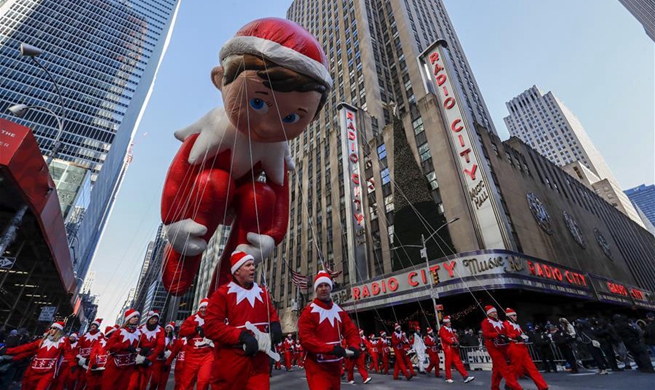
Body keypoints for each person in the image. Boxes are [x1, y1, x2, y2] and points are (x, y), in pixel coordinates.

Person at [160, 17, 332, 298]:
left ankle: (229, 279)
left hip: (244, 201)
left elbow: (279, 196)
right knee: (214, 181)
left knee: (262, 195)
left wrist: (270, 235)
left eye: (290, 118)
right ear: (220, 79)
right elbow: (180, 172)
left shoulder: (276, 148)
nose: (268, 126)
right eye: (257, 102)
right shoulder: (215, 128)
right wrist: (172, 219)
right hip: (205, 198)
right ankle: (182, 256)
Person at [204, 251, 283, 389]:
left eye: (253, 265)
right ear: (237, 271)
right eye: (248, 265)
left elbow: (271, 313)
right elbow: (211, 326)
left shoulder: (263, 292)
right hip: (232, 364)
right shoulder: (222, 294)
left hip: (259, 363)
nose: (253, 268)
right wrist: (241, 336)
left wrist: (275, 324)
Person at [298, 270, 363, 389]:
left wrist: (354, 346)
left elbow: (351, 331)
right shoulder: (308, 312)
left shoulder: (339, 311)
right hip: (317, 368)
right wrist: (331, 349)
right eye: (320, 286)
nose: (323, 289)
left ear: (330, 287)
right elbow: (306, 339)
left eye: (326, 285)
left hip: (335, 367)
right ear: (316, 290)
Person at [1, 321, 70, 390]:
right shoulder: (42, 341)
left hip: (48, 372)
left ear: (59, 330)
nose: (51, 330)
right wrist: (7, 351)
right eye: (50, 328)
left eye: (54, 328)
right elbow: (26, 348)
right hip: (34, 371)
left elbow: (69, 355)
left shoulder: (63, 341)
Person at [503, 308, 548, 389]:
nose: (516, 317)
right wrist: (516, 336)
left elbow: (521, 334)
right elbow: (506, 334)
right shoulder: (506, 324)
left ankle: (542, 386)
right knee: (514, 368)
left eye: (516, 315)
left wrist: (523, 337)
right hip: (514, 347)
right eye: (514, 315)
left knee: (532, 368)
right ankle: (509, 384)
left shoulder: (517, 325)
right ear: (509, 316)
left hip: (522, 347)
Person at [480, 306, 522, 390]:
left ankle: (494, 387)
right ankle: (517, 387)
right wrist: (497, 335)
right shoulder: (486, 322)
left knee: (497, 370)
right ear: (489, 314)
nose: (495, 313)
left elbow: (506, 333)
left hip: (502, 347)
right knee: (504, 368)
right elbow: (486, 333)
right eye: (493, 312)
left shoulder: (501, 322)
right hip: (493, 347)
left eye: (495, 312)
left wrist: (514, 336)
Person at [179, 298, 213, 390]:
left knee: (204, 381)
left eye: (206, 307)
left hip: (208, 355)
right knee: (187, 382)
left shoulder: (213, 319)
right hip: (192, 355)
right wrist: (194, 329)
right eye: (202, 307)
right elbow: (181, 331)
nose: (203, 310)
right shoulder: (191, 319)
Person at [103, 309, 141, 390]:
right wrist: (125, 346)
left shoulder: (139, 333)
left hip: (129, 366)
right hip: (115, 364)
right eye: (134, 316)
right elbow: (109, 345)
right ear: (128, 319)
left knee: (123, 386)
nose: (136, 318)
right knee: (109, 385)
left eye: (137, 317)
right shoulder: (119, 331)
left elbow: (143, 346)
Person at [129, 310, 165, 390]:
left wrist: (150, 359)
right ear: (148, 319)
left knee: (143, 382)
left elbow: (160, 345)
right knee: (132, 382)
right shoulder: (141, 328)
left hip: (150, 357)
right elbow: (135, 342)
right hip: (138, 357)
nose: (154, 320)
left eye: (156, 319)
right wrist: (137, 353)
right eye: (152, 318)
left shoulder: (160, 330)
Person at [440, 316, 474, 384]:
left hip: (453, 348)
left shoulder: (450, 329)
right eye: (449, 322)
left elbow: (453, 337)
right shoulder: (442, 329)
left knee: (458, 362)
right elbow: (445, 338)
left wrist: (457, 343)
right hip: (448, 348)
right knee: (448, 363)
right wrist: (453, 342)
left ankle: (465, 376)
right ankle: (448, 377)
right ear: (445, 323)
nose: (450, 323)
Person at [86, 325, 118, 390]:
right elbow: (93, 353)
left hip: (107, 367)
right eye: (112, 333)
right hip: (96, 367)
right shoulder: (99, 341)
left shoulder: (114, 343)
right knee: (92, 385)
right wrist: (94, 363)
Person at [76, 318, 103, 390]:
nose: (93, 326)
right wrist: (78, 357)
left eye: (95, 325)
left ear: (97, 327)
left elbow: (101, 349)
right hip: (81, 361)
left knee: (88, 381)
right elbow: (78, 346)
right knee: (79, 380)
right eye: (92, 325)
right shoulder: (85, 335)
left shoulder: (100, 336)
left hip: (91, 362)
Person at [149, 322, 176, 390]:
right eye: (167, 327)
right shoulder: (160, 336)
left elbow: (175, 350)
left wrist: (169, 353)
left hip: (166, 362)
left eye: (170, 327)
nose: (168, 329)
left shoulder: (174, 339)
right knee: (155, 380)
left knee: (163, 382)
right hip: (157, 361)